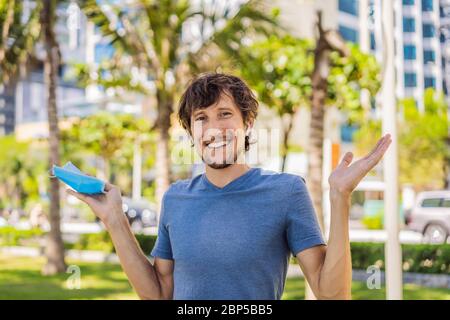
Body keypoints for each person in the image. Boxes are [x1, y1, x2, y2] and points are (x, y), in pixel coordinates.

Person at [68, 73, 392, 300]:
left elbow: (331, 294)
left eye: (225, 114)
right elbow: (159, 294)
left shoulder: (287, 192)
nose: (214, 128)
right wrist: (115, 221)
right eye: (201, 118)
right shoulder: (175, 198)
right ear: (191, 130)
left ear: (247, 124)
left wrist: (340, 197)